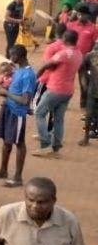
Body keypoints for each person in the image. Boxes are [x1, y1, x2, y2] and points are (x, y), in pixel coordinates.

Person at [0, 45, 37, 187]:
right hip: (9, 108)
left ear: (19, 56)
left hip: (17, 112)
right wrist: (6, 94)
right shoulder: (19, 70)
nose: (10, 58)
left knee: (19, 143)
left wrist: (6, 93)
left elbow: (25, 99)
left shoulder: (28, 74)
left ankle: (18, 177)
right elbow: (17, 91)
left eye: (12, 55)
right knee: (6, 140)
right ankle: (3, 170)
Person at [34, 28, 82, 158]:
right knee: (59, 119)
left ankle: (45, 145)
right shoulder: (78, 53)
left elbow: (47, 64)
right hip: (68, 90)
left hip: (55, 89)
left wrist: (37, 76)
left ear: (65, 39)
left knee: (39, 113)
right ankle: (56, 148)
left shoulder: (64, 53)